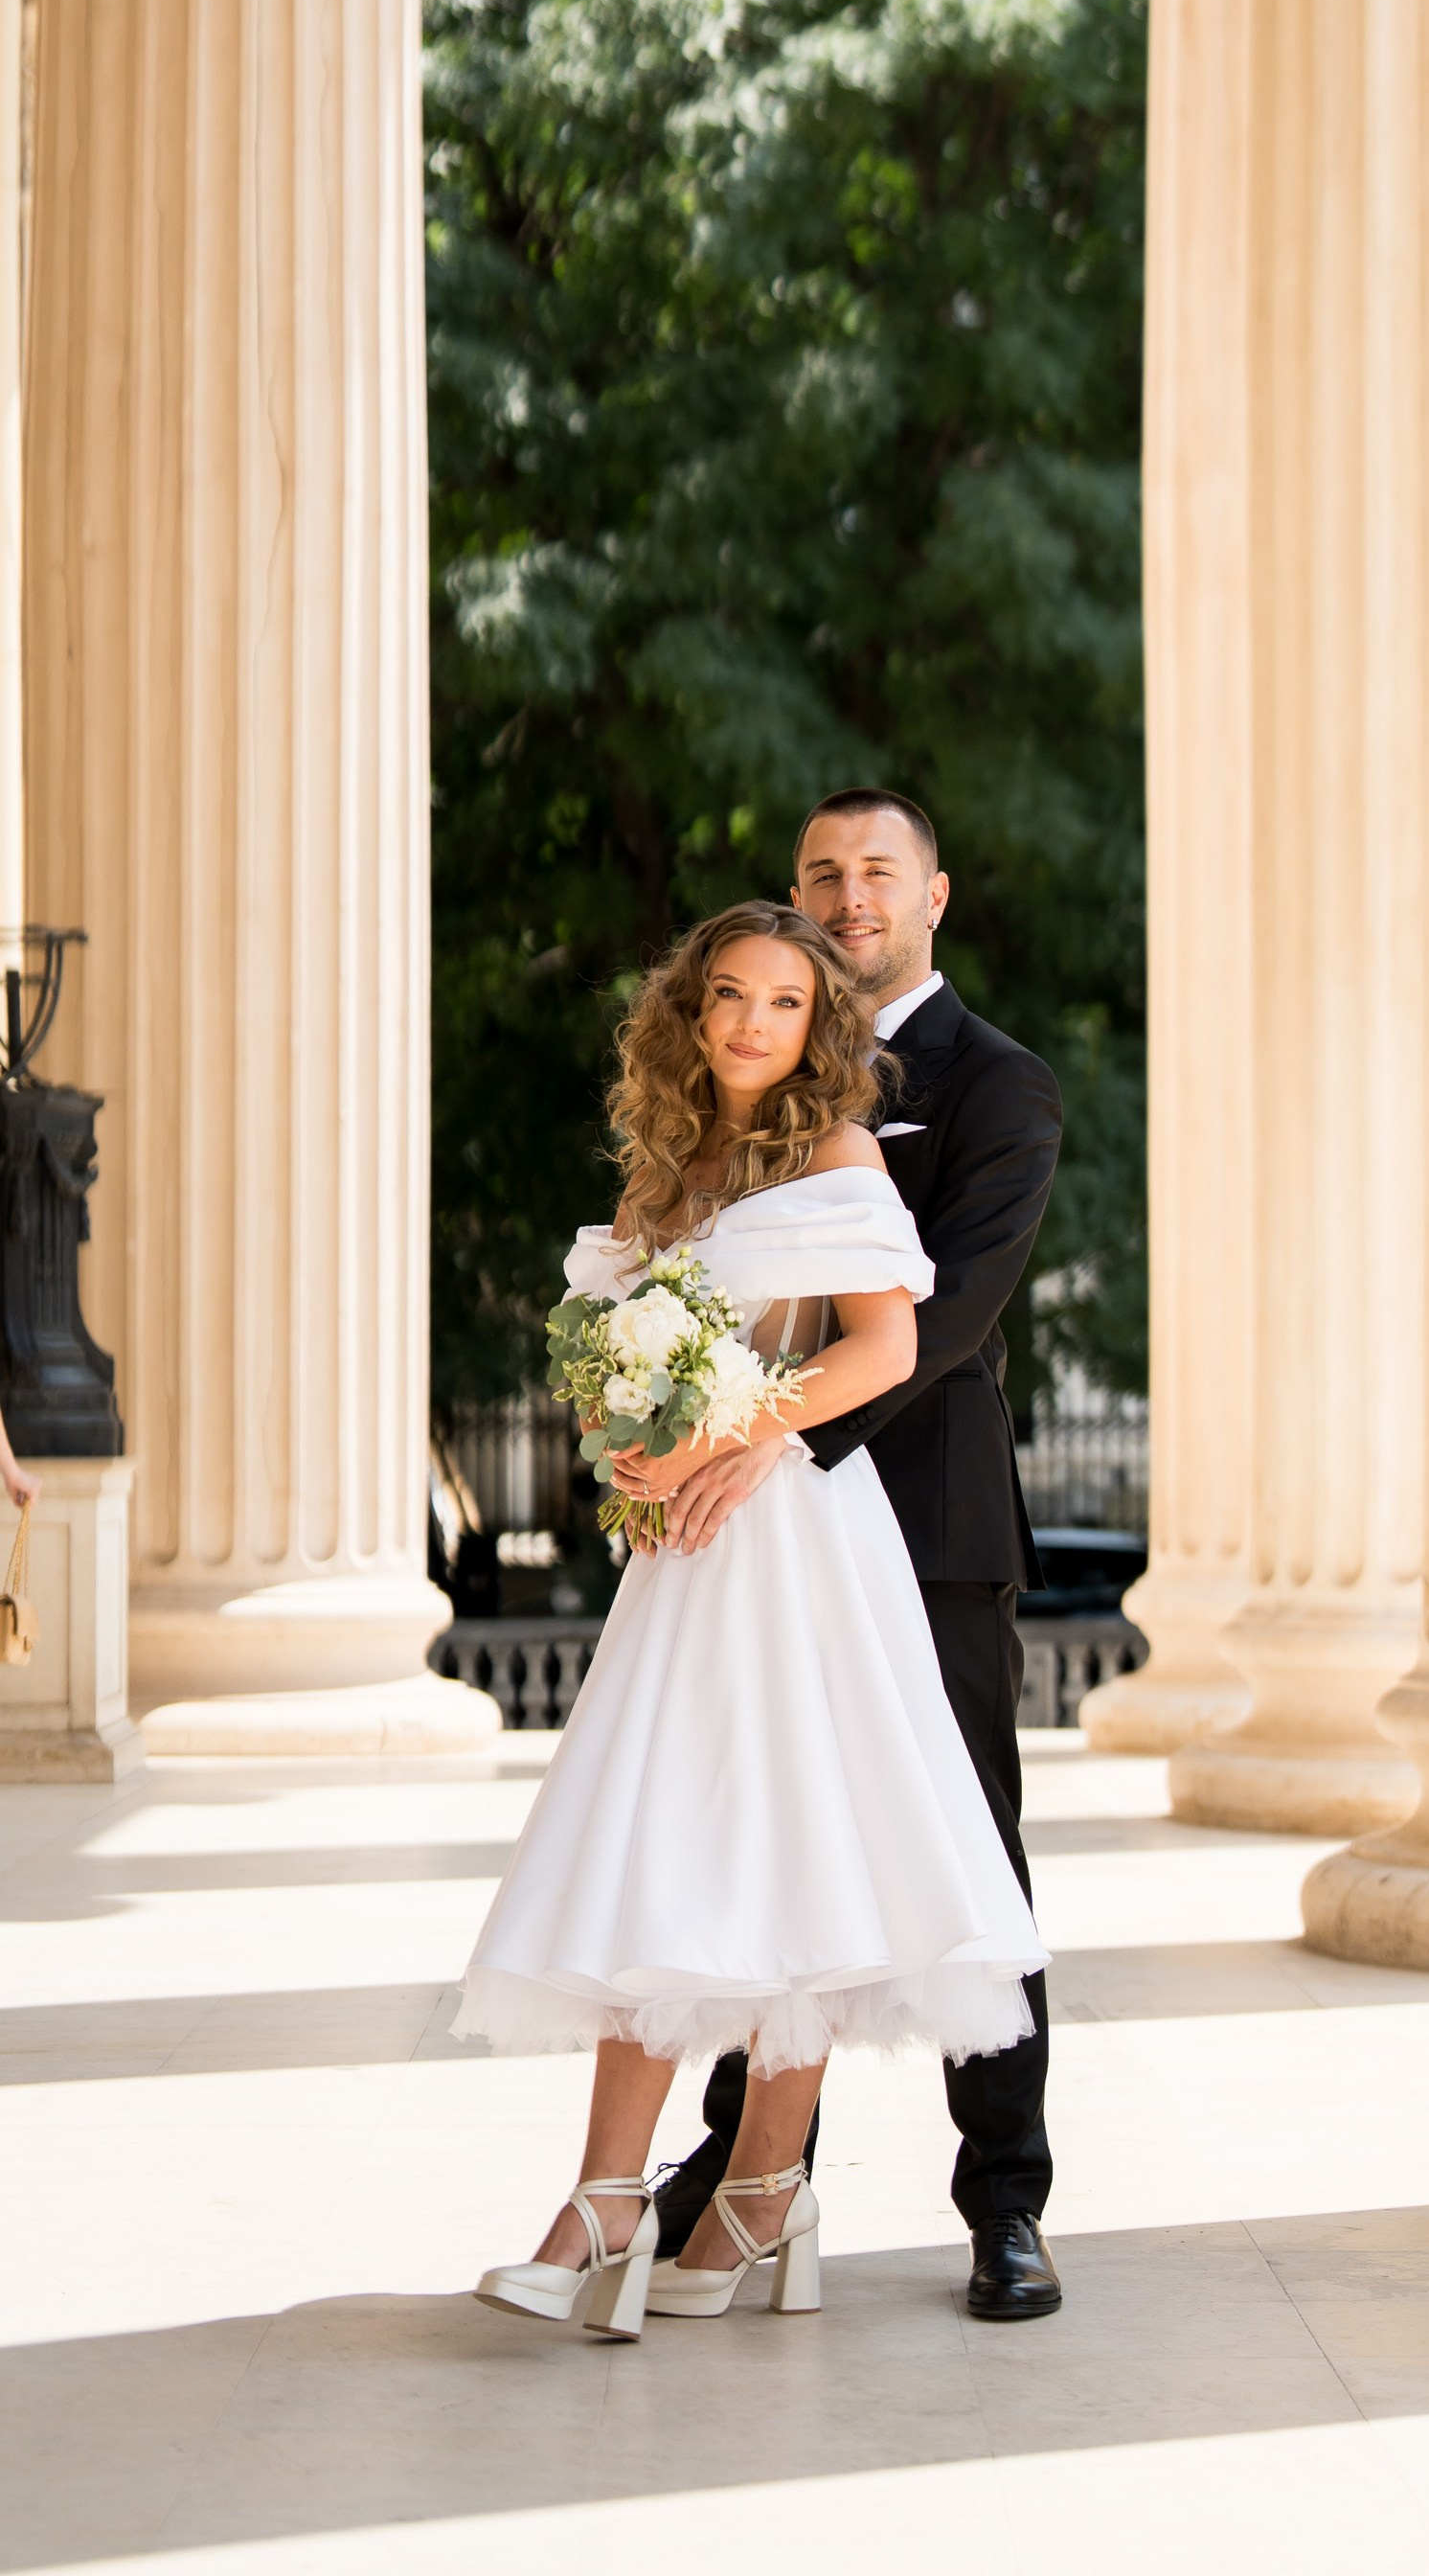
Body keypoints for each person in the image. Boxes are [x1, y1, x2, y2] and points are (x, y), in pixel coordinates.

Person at [459, 899, 1046, 2335]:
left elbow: (886, 1346)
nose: (748, 1024)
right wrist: (628, 1442)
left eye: (783, 1004)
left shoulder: (842, 1153)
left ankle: (730, 2199)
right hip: (681, 1552)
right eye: (726, 996)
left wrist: (733, 1437)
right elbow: (612, 1357)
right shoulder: (670, 1173)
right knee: (654, 1838)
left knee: (805, 1853)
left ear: (815, 1027)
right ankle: (646, 2203)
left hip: (788, 1530)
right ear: (688, 1011)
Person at [651, 786, 1066, 2323]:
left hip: (923, 1526)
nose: (845, 894)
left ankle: (1005, 2204)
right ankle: (748, 2173)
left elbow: (943, 1322)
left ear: (932, 896)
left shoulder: (999, 1086)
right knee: (764, 1849)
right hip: (763, 1537)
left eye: (875, 871)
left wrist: (774, 1441)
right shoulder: (744, 1090)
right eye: (819, 872)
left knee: (970, 1865)